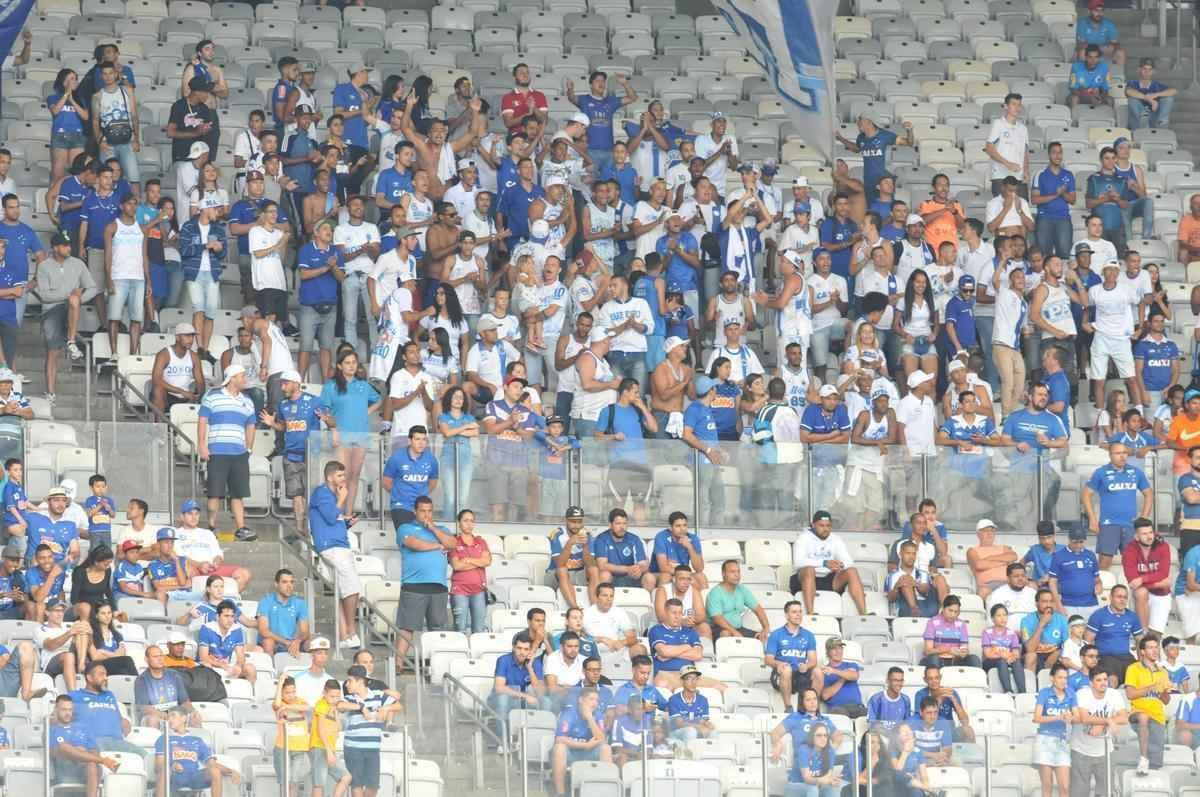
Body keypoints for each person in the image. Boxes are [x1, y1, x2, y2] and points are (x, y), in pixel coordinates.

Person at [197, 365, 256, 542]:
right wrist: (202, 445)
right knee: (214, 493)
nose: (245, 379)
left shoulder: (247, 400)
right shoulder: (212, 396)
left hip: (239, 453)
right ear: (232, 378)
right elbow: (202, 420)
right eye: (242, 376)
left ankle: (241, 528)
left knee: (238, 494)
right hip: (217, 452)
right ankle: (211, 526)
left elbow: (251, 425)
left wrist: (249, 448)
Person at [395, 495, 455, 662]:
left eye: (429, 511)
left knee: (438, 630)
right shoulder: (405, 528)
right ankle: (398, 664)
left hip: (439, 587)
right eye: (422, 511)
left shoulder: (442, 529)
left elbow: (453, 544)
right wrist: (438, 545)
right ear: (415, 511)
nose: (426, 514)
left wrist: (434, 529)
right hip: (414, 585)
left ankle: (437, 666)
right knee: (407, 627)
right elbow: (415, 544)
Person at [791, 510, 868, 616]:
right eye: (821, 525)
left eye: (828, 526)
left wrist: (839, 565)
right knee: (809, 570)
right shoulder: (803, 538)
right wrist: (824, 563)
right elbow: (798, 562)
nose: (825, 529)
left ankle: (864, 613)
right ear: (813, 525)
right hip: (806, 579)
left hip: (829, 579)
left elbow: (849, 561)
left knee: (852, 571)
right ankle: (811, 613)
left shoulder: (835, 539)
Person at [340, 664, 401, 797]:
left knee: (373, 786)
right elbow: (340, 705)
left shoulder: (379, 695)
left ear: (360, 681)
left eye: (350, 680)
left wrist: (385, 708)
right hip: (353, 747)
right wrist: (362, 708)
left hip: (373, 748)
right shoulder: (349, 698)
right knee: (356, 784)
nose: (346, 684)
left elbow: (398, 705)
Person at [155, 705, 237, 797]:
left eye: (173, 715)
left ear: (184, 718)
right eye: (168, 717)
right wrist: (172, 766)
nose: (169, 719)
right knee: (164, 770)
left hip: (194, 777)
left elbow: (211, 763)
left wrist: (231, 771)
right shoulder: (163, 738)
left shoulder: (197, 740)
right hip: (174, 776)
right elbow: (158, 766)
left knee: (215, 771)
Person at [1071, 668, 1128, 797]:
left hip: (1105, 751)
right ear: (1091, 683)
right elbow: (1085, 718)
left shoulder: (1114, 694)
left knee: (1106, 792)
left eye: (1105, 679)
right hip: (1081, 750)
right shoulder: (1082, 694)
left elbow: (1124, 718)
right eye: (1098, 680)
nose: (1103, 683)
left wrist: (1101, 725)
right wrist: (1108, 721)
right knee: (1079, 792)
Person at [49, 694, 119, 797]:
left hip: (86, 769)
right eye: (64, 710)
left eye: (70, 710)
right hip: (65, 769)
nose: (67, 713)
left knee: (92, 764)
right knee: (64, 747)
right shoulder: (51, 729)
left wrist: (82, 754)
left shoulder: (83, 728)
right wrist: (77, 752)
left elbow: (94, 751)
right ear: (56, 710)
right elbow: (56, 752)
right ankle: (104, 760)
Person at [550, 687, 611, 797]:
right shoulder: (569, 713)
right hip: (571, 753)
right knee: (559, 748)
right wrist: (585, 745)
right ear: (580, 700)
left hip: (589, 753)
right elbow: (559, 738)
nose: (595, 703)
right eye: (591, 699)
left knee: (606, 748)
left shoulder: (597, 715)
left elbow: (602, 739)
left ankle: (605, 792)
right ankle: (560, 793)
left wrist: (590, 718)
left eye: (597, 700)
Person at [763, 600, 821, 713]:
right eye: (794, 612)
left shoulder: (808, 635)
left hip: (801, 673)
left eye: (800, 612)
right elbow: (768, 659)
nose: (798, 615)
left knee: (818, 672)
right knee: (787, 669)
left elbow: (813, 660)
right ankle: (788, 707)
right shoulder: (776, 634)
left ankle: (813, 708)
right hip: (781, 674)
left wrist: (807, 666)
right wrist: (779, 663)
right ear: (786, 615)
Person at [1125, 635, 1172, 774]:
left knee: (1156, 765)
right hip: (1137, 713)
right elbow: (1130, 694)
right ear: (1142, 651)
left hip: (1158, 717)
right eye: (1150, 647)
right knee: (1144, 717)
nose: (1155, 650)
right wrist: (1151, 687)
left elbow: (1166, 701)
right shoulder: (1133, 668)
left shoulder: (1163, 672)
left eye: (1156, 647)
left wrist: (1163, 692)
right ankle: (1143, 759)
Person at [381, 425, 439, 529]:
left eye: (424, 439)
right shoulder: (397, 457)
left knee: (423, 535)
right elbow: (386, 482)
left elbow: (433, 482)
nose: (421, 443)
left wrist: (422, 494)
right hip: (401, 505)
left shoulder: (431, 459)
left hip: (421, 507)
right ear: (409, 441)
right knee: (407, 534)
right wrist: (400, 495)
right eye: (417, 439)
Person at [1123, 517, 1172, 633]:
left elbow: (1163, 573)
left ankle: (1150, 636)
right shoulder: (1129, 550)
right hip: (1142, 594)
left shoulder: (1163, 546)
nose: (1149, 537)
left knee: (1156, 635)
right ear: (1136, 537)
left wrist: (1142, 580)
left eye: (1151, 532)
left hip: (1161, 594)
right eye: (1144, 534)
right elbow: (1132, 580)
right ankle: (1143, 632)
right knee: (1141, 592)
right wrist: (1159, 583)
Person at [1034, 664, 1077, 797]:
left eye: (1065, 678)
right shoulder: (1044, 693)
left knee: (1064, 786)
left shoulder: (1071, 693)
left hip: (1062, 740)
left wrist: (1071, 717)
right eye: (1060, 677)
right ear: (1052, 678)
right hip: (1045, 740)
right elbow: (1036, 718)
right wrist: (1059, 717)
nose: (1063, 681)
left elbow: (1077, 716)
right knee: (1047, 785)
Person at [1086, 585, 1143, 685]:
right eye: (1119, 597)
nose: (1122, 600)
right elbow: (1088, 640)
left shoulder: (1132, 617)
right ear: (1111, 597)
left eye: (1125, 597)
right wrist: (1091, 664)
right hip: (1105, 658)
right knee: (1112, 681)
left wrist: (1141, 662)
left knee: (1140, 679)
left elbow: (1140, 641)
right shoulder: (1098, 615)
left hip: (1126, 657)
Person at [1049, 527, 1103, 619]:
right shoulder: (1059, 556)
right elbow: (1052, 583)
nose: (1078, 545)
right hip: (1068, 605)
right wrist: (1058, 605)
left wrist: (1099, 585)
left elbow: (1097, 579)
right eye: (1075, 542)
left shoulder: (1090, 555)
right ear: (1069, 539)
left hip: (1091, 604)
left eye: (1081, 542)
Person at [256, 568, 311, 656]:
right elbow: (263, 630)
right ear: (276, 584)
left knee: (311, 644)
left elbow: (305, 631)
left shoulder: (300, 603)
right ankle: (271, 665)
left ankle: (309, 666)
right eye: (285, 582)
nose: (289, 586)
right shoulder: (266, 601)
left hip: (292, 642)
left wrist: (297, 641)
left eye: (291, 582)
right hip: (274, 642)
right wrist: (286, 642)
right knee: (268, 642)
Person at [922, 596, 980, 667]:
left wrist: (963, 652)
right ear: (943, 608)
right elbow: (928, 651)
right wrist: (948, 650)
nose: (953, 615)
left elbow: (964, 648)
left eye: (956, 612)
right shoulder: (932, 622)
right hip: (938, 659)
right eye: (950, 610)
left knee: (974, 659)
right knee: (934, 659)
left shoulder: (961, 624)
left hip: (956, 660)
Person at [867, 667, 912, 732]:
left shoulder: (906, 699)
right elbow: (872, 723)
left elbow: (907, 724)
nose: (899, 683)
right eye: (895, 680)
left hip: (898, 736)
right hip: (880, 734)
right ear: (887, 681)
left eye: (901, 680)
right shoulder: (876, 699)